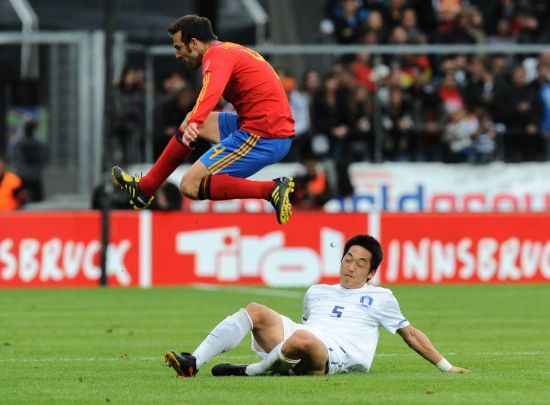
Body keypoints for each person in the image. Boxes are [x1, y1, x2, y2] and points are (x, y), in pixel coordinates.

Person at [164, 234, 470, 377]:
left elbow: (410, 334)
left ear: (371, 272)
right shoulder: (317, 291)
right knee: (256, 309)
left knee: (302, 340)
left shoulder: (381, 298)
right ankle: (194, 362)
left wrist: (446, 366)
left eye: (361, 263)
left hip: (334, 356)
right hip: (305, 340)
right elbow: (307, 322)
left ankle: (251, 371)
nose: (351, 267)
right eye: (348, 258)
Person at [112, 15, 295, 224]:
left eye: (179, 47)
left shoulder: (216, 56)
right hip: (259, 126)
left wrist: (195, 123)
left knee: (189, 185)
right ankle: (145, 188)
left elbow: (211, 91)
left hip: (264, 136)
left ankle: (271, 189)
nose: (177, 55)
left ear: (194, 43)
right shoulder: (227, 50)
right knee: (190, 120)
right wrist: (195, 122)